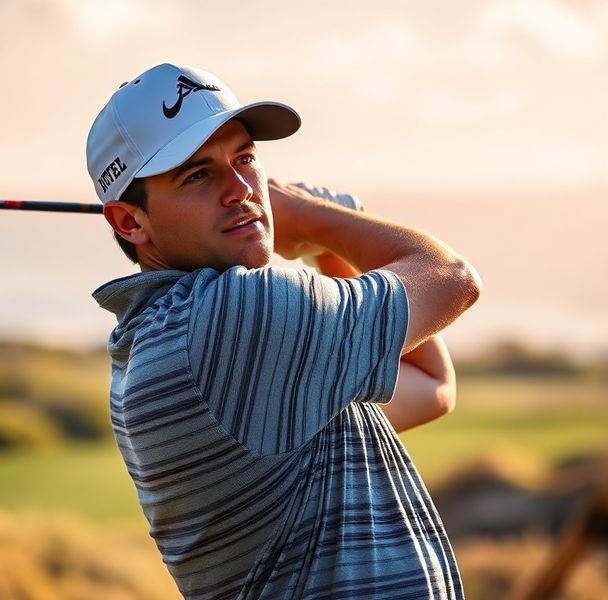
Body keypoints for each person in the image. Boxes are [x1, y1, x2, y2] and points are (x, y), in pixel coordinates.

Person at [88, 63, 481, 599]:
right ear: (130, 221)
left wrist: (326, 247)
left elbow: (430, 387)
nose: (242, 189)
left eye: (245, 158)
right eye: (198, 174)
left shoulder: (160, 340)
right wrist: (318, 218)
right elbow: (452, 278)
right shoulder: (232, 318)